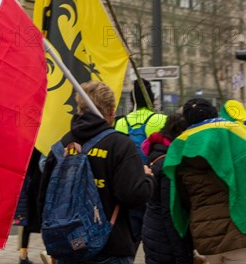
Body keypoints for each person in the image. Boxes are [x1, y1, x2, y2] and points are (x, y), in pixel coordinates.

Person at [164, 98, 246, 264]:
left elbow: (181, 201)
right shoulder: (236, 137)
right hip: (242, 231)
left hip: (206, 236)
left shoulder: (181, 149)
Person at [39, 81, 154, 264]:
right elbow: (132, 195)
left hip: (70, 246)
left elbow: (45, 199)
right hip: (111, 246)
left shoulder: (61, 146)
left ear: (80, 108)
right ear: (111, 111)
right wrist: (147, 178)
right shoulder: (120, 145)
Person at [114, 79, 166, 247]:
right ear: (152, 98)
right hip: (155, 183)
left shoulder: (121, 122)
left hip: (130, 182)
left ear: (132, 99)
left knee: (133, 234)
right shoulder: (160, 119)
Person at [141, 113, 193, 264]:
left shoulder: (156, 153)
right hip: (163, 238)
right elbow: (169, 213)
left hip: (152, 230)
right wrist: (182, 255)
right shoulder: (168, 165)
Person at [14, 148, 42, 264]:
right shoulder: (44, 146)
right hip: (38, 185)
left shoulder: (27, 145)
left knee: (26, 224)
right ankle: (52, 256)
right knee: (45, 222)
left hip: (27, 187)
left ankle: (23, 255)